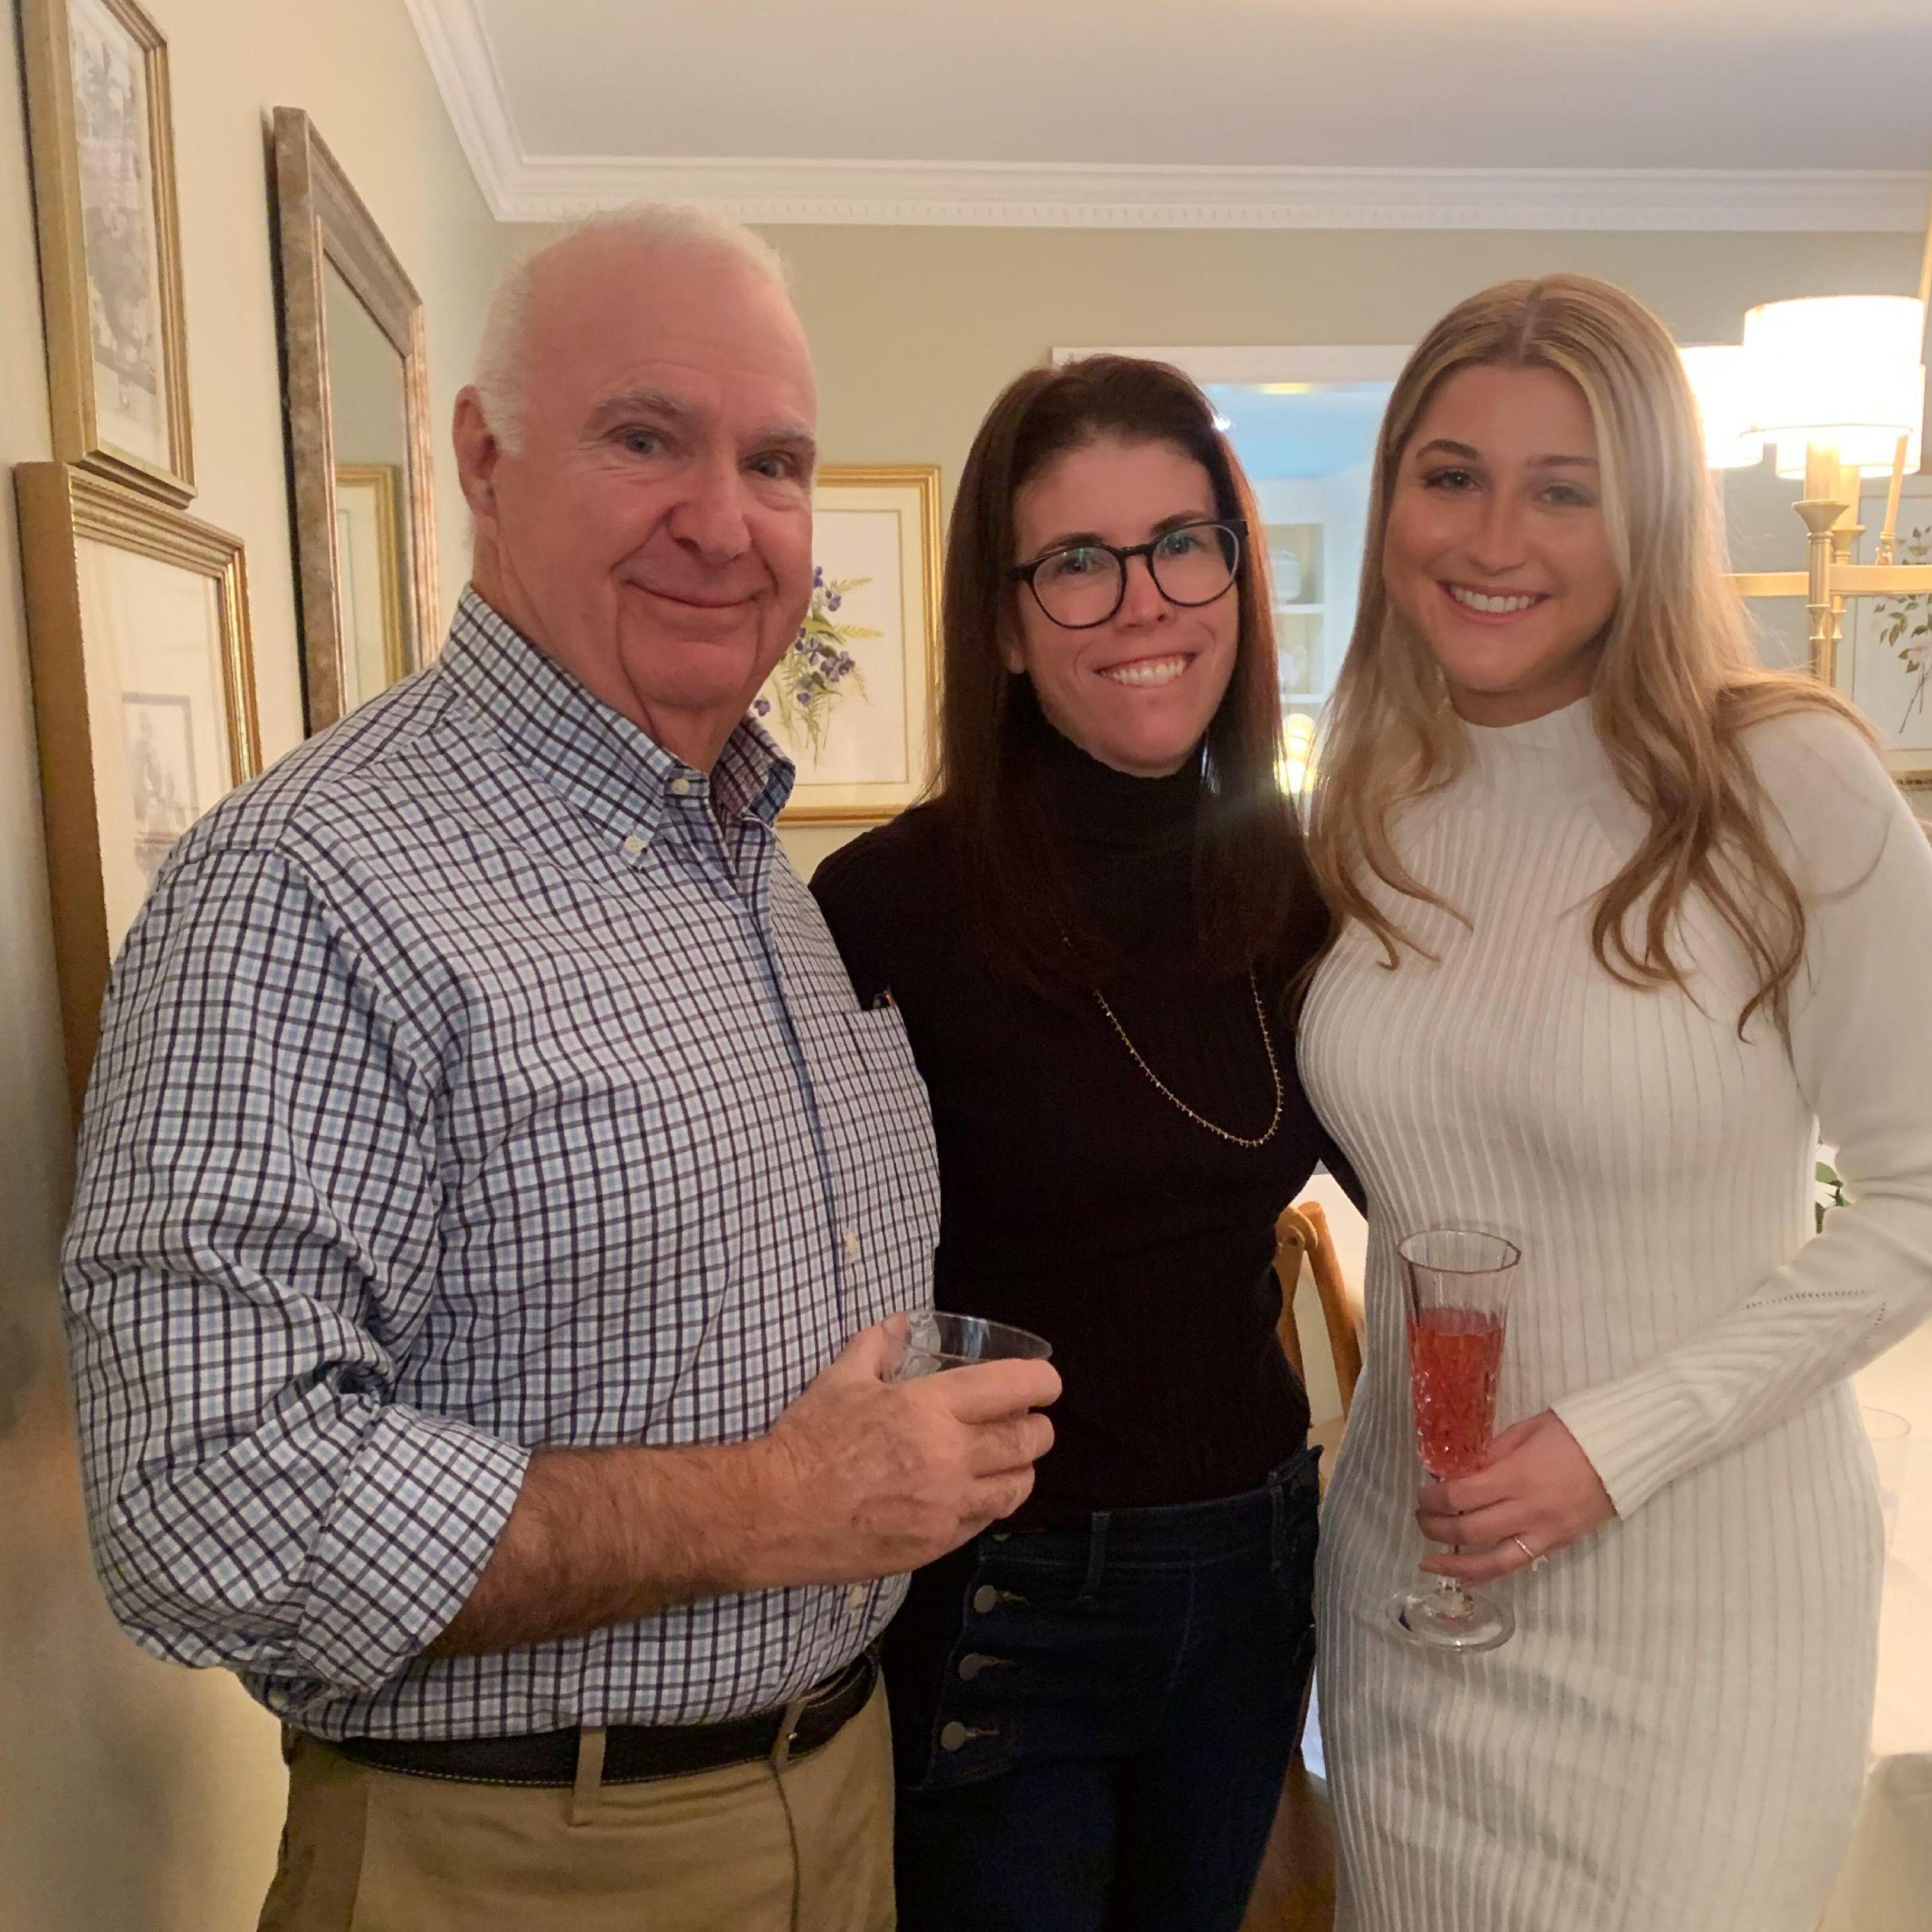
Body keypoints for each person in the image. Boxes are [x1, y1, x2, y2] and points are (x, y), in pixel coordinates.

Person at [59, 205, 1059, 1932]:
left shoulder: (754, 860)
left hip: (843, 1791)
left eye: (776, 460)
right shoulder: (310, 883)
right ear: (482, 458)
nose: (723, 521)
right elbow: (201, 1496)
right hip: (524, 1859)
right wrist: (769, 1503)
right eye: (644, 436)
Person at [1299, 273, 1932, 1931]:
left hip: (1703, 1603)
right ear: (1389, 503)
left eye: (1561, 487)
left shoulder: (1781, 779)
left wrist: (1613, 1440)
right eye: (1448, 474)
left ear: (1644, 514)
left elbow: (1924, 1197)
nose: (1492, 532)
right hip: (1412, 1593)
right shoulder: (1360, 801)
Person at [812, 356, 1339, 1932]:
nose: (1142, 603)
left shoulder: (1298, 883)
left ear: (1236, 575)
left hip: (1260, 1568)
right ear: (1001, 618)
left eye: (1183, 543)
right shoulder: (886, 904)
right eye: (1076, 563)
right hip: (1010, 1597)